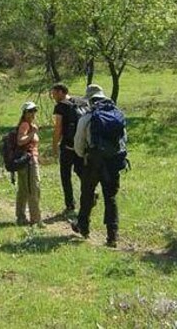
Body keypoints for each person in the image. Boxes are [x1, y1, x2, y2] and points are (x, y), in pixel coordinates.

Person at [71, 84, 127, 248]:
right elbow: (123, 140)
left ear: (90, 100)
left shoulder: (87, 117)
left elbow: (78, 143)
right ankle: (112, 235)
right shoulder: (118, 114)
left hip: (93, 161)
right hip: (113, 161)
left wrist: (83, 156)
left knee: (87, 194)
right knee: (110, 197)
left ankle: (84, 227)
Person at [50, 83, 86, 214]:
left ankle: (70, 205)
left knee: (65, 175)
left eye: (54, 94)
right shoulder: (82, 101)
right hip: (82, 144)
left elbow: (58, 127)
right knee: (82, 172)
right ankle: (90, 194)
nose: (53, 97)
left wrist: (54, 146)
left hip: (68, 145)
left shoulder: (61, 106)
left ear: (61, 92)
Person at [15, 101, 43, 226]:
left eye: (34, 110)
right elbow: (20, 141)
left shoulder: (29, 124)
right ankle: (35, 220)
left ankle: (20, 217)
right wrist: (32, 133)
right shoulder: (25, 125)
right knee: (33, 189)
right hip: (28, 162)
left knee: (24, 190)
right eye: (30, 111)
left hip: (28, 161)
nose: (33, 113)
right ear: (25, 113)